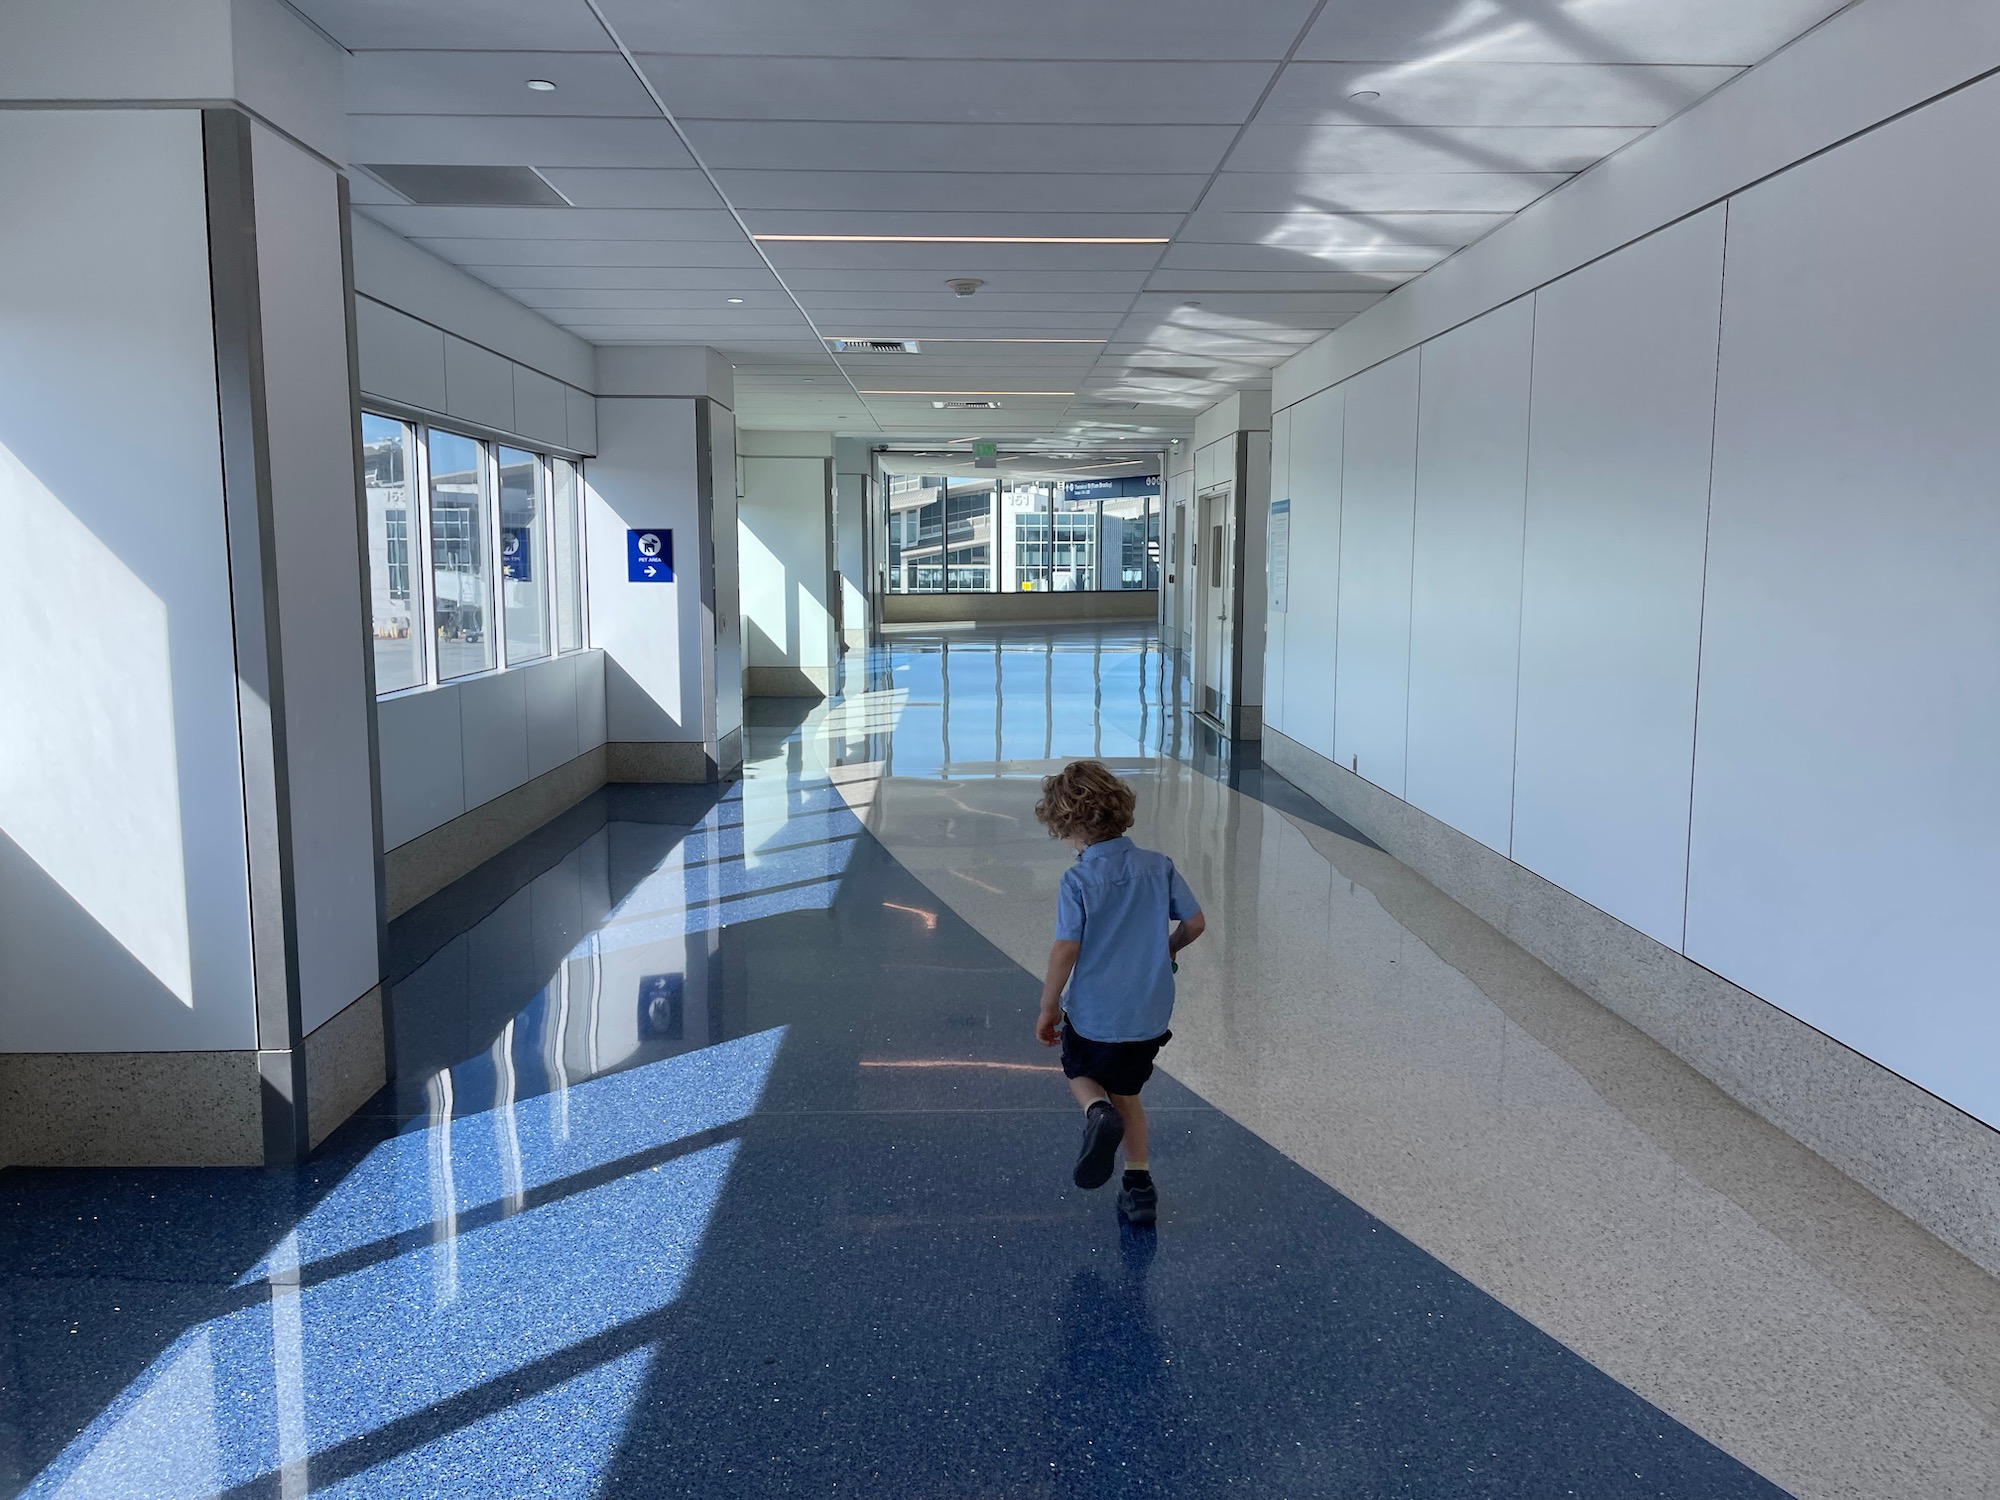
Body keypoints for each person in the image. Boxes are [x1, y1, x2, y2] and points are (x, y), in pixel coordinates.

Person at [1032, 760, 1206, 1226]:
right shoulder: (1158, 866)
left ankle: (1096, 1112)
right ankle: (1139, 1187)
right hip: (1149, 1013)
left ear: (1068, 827)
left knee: (1080, 1071)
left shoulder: (1078, 880)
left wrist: (1049, 1005)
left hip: (1094, 1013)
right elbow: (1195, 923)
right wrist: (1169, 948)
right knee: (1129, 1092)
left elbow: (1067, 947)